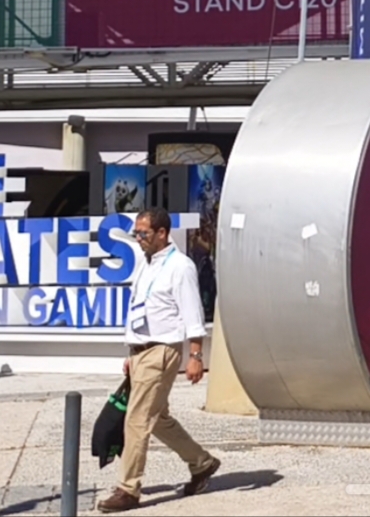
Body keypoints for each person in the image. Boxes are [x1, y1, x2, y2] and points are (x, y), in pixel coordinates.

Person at [98, 208, 219, 513]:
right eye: (136, 233)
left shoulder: (180, 266)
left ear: (162, 233)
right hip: (141, 351)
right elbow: (140, 308)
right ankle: (202, 463)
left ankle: (128, 489)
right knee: (158, 419)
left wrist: (195, 356)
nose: (138, 239)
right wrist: (132, 353)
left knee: (137, 419)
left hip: (162, 350)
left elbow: (192, 314)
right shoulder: (146, 264)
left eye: (144, 233)